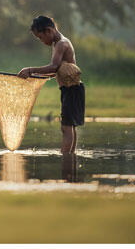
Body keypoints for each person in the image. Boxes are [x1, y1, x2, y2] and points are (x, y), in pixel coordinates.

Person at [17, 15, 85, 154]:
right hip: (70, 90)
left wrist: (30, 70)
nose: (41, 41)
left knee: (66, 127)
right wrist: (34, 76)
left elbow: (53, 67)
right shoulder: (58, 43)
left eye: (40, 37)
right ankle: (70, 158)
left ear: (48, 30)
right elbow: (55, 72)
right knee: (69, 126)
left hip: (72, 89)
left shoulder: (61, 44)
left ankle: (65, 157)